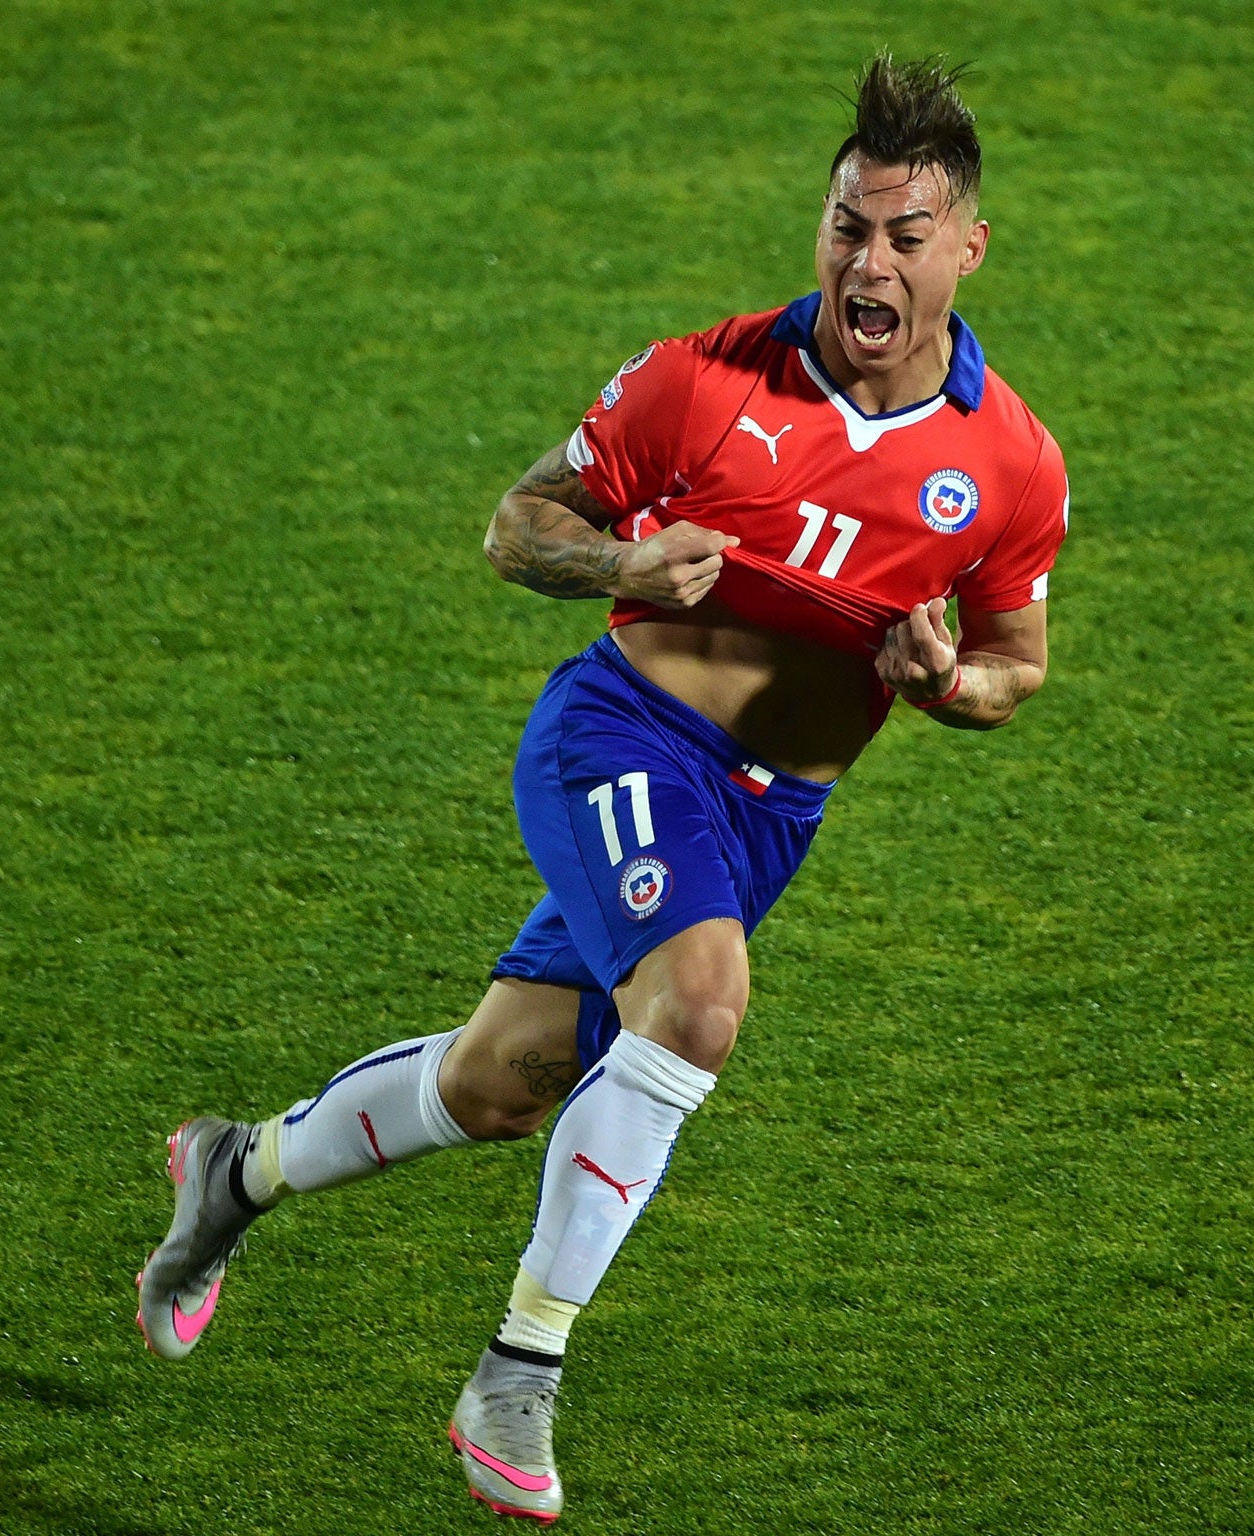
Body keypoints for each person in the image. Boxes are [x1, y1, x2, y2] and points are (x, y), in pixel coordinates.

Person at [136, 53, 1068, 1524]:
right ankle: (520, 1372)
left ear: (967, 247)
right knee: (700, 1002)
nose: (864, 260)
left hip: (772, 817)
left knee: (499, 1084)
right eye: (844, 225)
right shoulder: (700, 382)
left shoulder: (1008, 462)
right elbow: (518, 524)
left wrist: (948, 683)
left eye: (901, 233)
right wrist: (617, 562)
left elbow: (1019, 662)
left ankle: (231, 1176)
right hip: (625, 740)